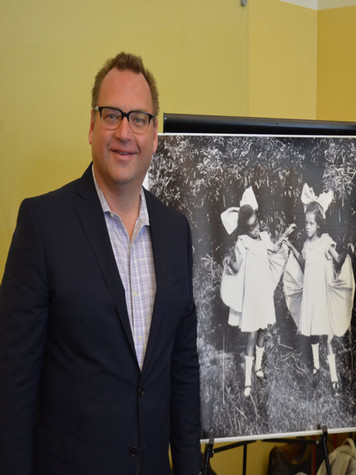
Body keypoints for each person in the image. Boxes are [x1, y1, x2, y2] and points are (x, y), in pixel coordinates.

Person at [0, 52, 201, 474]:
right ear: (92, 126)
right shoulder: (42, 224)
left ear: (155, 136)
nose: (125, 132)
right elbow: (12, 386)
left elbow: (182, 371)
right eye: (112, 115)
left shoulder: (175, 231)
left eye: (139, 118)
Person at [220, 186, 295, 397]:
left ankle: (259, 367)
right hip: (251, 298)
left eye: (257, 224)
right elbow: (236, 266)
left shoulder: (263, 237)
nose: (256, 228)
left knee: (264, 331)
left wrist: (284, 235)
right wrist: (228, 262)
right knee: (251, 336)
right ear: (244, 229)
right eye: (252, 227)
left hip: (263, 295)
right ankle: (247, 382)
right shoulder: (242, 242)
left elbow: (273, 248)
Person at [283, 184, 355, 396]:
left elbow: (338, 260)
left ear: (319, 225)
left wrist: (347, 250)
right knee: (313, 333)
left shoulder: (325, 242)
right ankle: (315, 368)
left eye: (311, 223)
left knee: (326, 336)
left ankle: (334, 379)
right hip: (310, 294)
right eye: (305, 223)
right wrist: (292, 247)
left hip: (322, 295)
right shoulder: (306, 244)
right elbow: (303, 262)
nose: (307, 227)